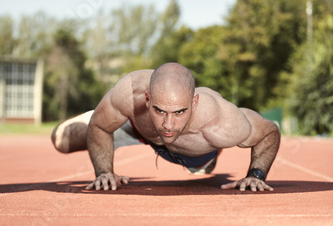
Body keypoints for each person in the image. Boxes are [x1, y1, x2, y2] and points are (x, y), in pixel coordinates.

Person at [51, 63, 280, 192]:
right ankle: (105, 112)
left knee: (201, 170)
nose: (168, 125)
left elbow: (269, 131)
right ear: (148, 99)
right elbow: (100, 127)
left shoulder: (222, 122)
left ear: (194, 103)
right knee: (60, 139)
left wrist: (256, 175)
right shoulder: (131, 92)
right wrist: (104, 172)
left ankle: (212, 156)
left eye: (180, 112)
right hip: (139, 128)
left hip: (195, 150)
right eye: (160, 110)